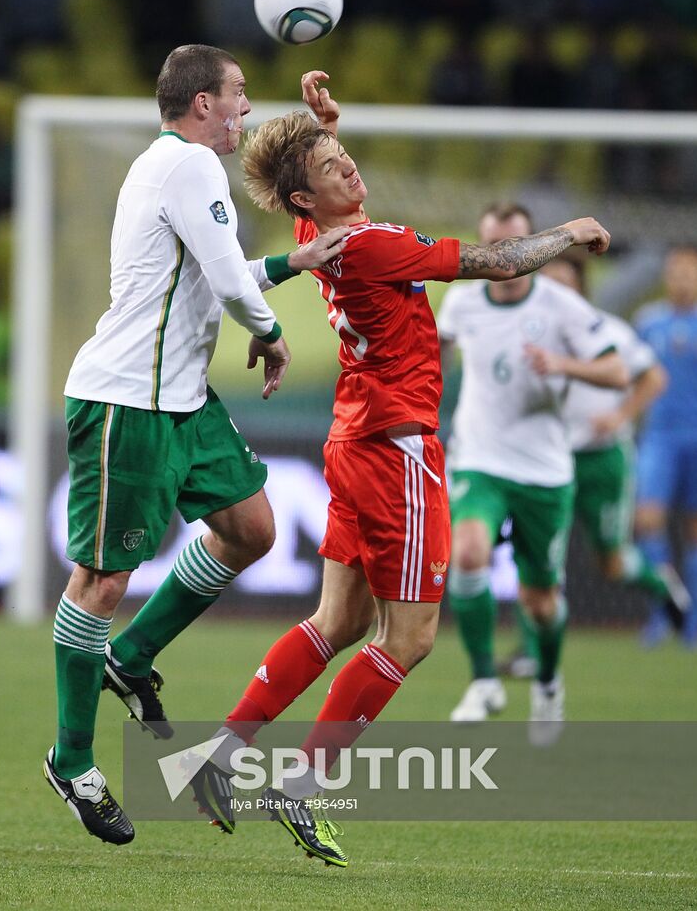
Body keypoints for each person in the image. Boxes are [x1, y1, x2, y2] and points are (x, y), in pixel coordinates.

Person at [190, 80, 611, 868]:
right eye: (333, 163)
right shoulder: (375, 244)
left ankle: (218, 758)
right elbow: (491, 260)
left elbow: (310, 192)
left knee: (339, 623)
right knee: (410, 637)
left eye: (345, 156)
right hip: (399, 448)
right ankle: (304, 785)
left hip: (353, 440)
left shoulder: (322, 233)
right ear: (302, 193)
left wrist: (322, 129)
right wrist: (569, 233)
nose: (349, 167)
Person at [43, 46, 349, 846]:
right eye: (239, 94)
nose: (246, 108)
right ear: (204, 103)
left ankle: (132, 656)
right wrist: (274, 335)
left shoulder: (175, 168)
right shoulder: (188, 168)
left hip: (179, 399)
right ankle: (71, 760)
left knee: (252, 529)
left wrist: (289, 262)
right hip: (127, 401)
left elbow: (215, 268)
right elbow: (222, 277)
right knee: (100, 582)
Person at [436, 204, 627, 742]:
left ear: (535, 246)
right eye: (495, 246)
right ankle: (482, 681)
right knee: (468, 552)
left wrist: (564, 365)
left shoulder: (562, 306)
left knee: (539, 602)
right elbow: (437, 354)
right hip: (480, 458)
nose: (506, 258)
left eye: (516, 246)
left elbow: (617, 370)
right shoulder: (463, 299)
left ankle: (547, 683)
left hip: (544, 471)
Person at [538, 258, 689, 625]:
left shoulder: (609, 332)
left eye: (564, 284)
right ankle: (534, 651)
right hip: (547, 458)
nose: (555, 294)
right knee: (540, 560)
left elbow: (654, 376)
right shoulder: (529, 333)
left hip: (602, 459)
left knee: (612, 561)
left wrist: (621, 415)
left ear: (580, 290)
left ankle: (659, 582)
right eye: (547, 284)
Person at [634, 248, 697, 648]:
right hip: (659, 436)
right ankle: (663, 614)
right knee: (648, 521)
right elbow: (632, 376)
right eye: (676, 273)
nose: (683, 280)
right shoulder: (648, 323)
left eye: (691, 274)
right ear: (666, 278)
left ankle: (694, 624)